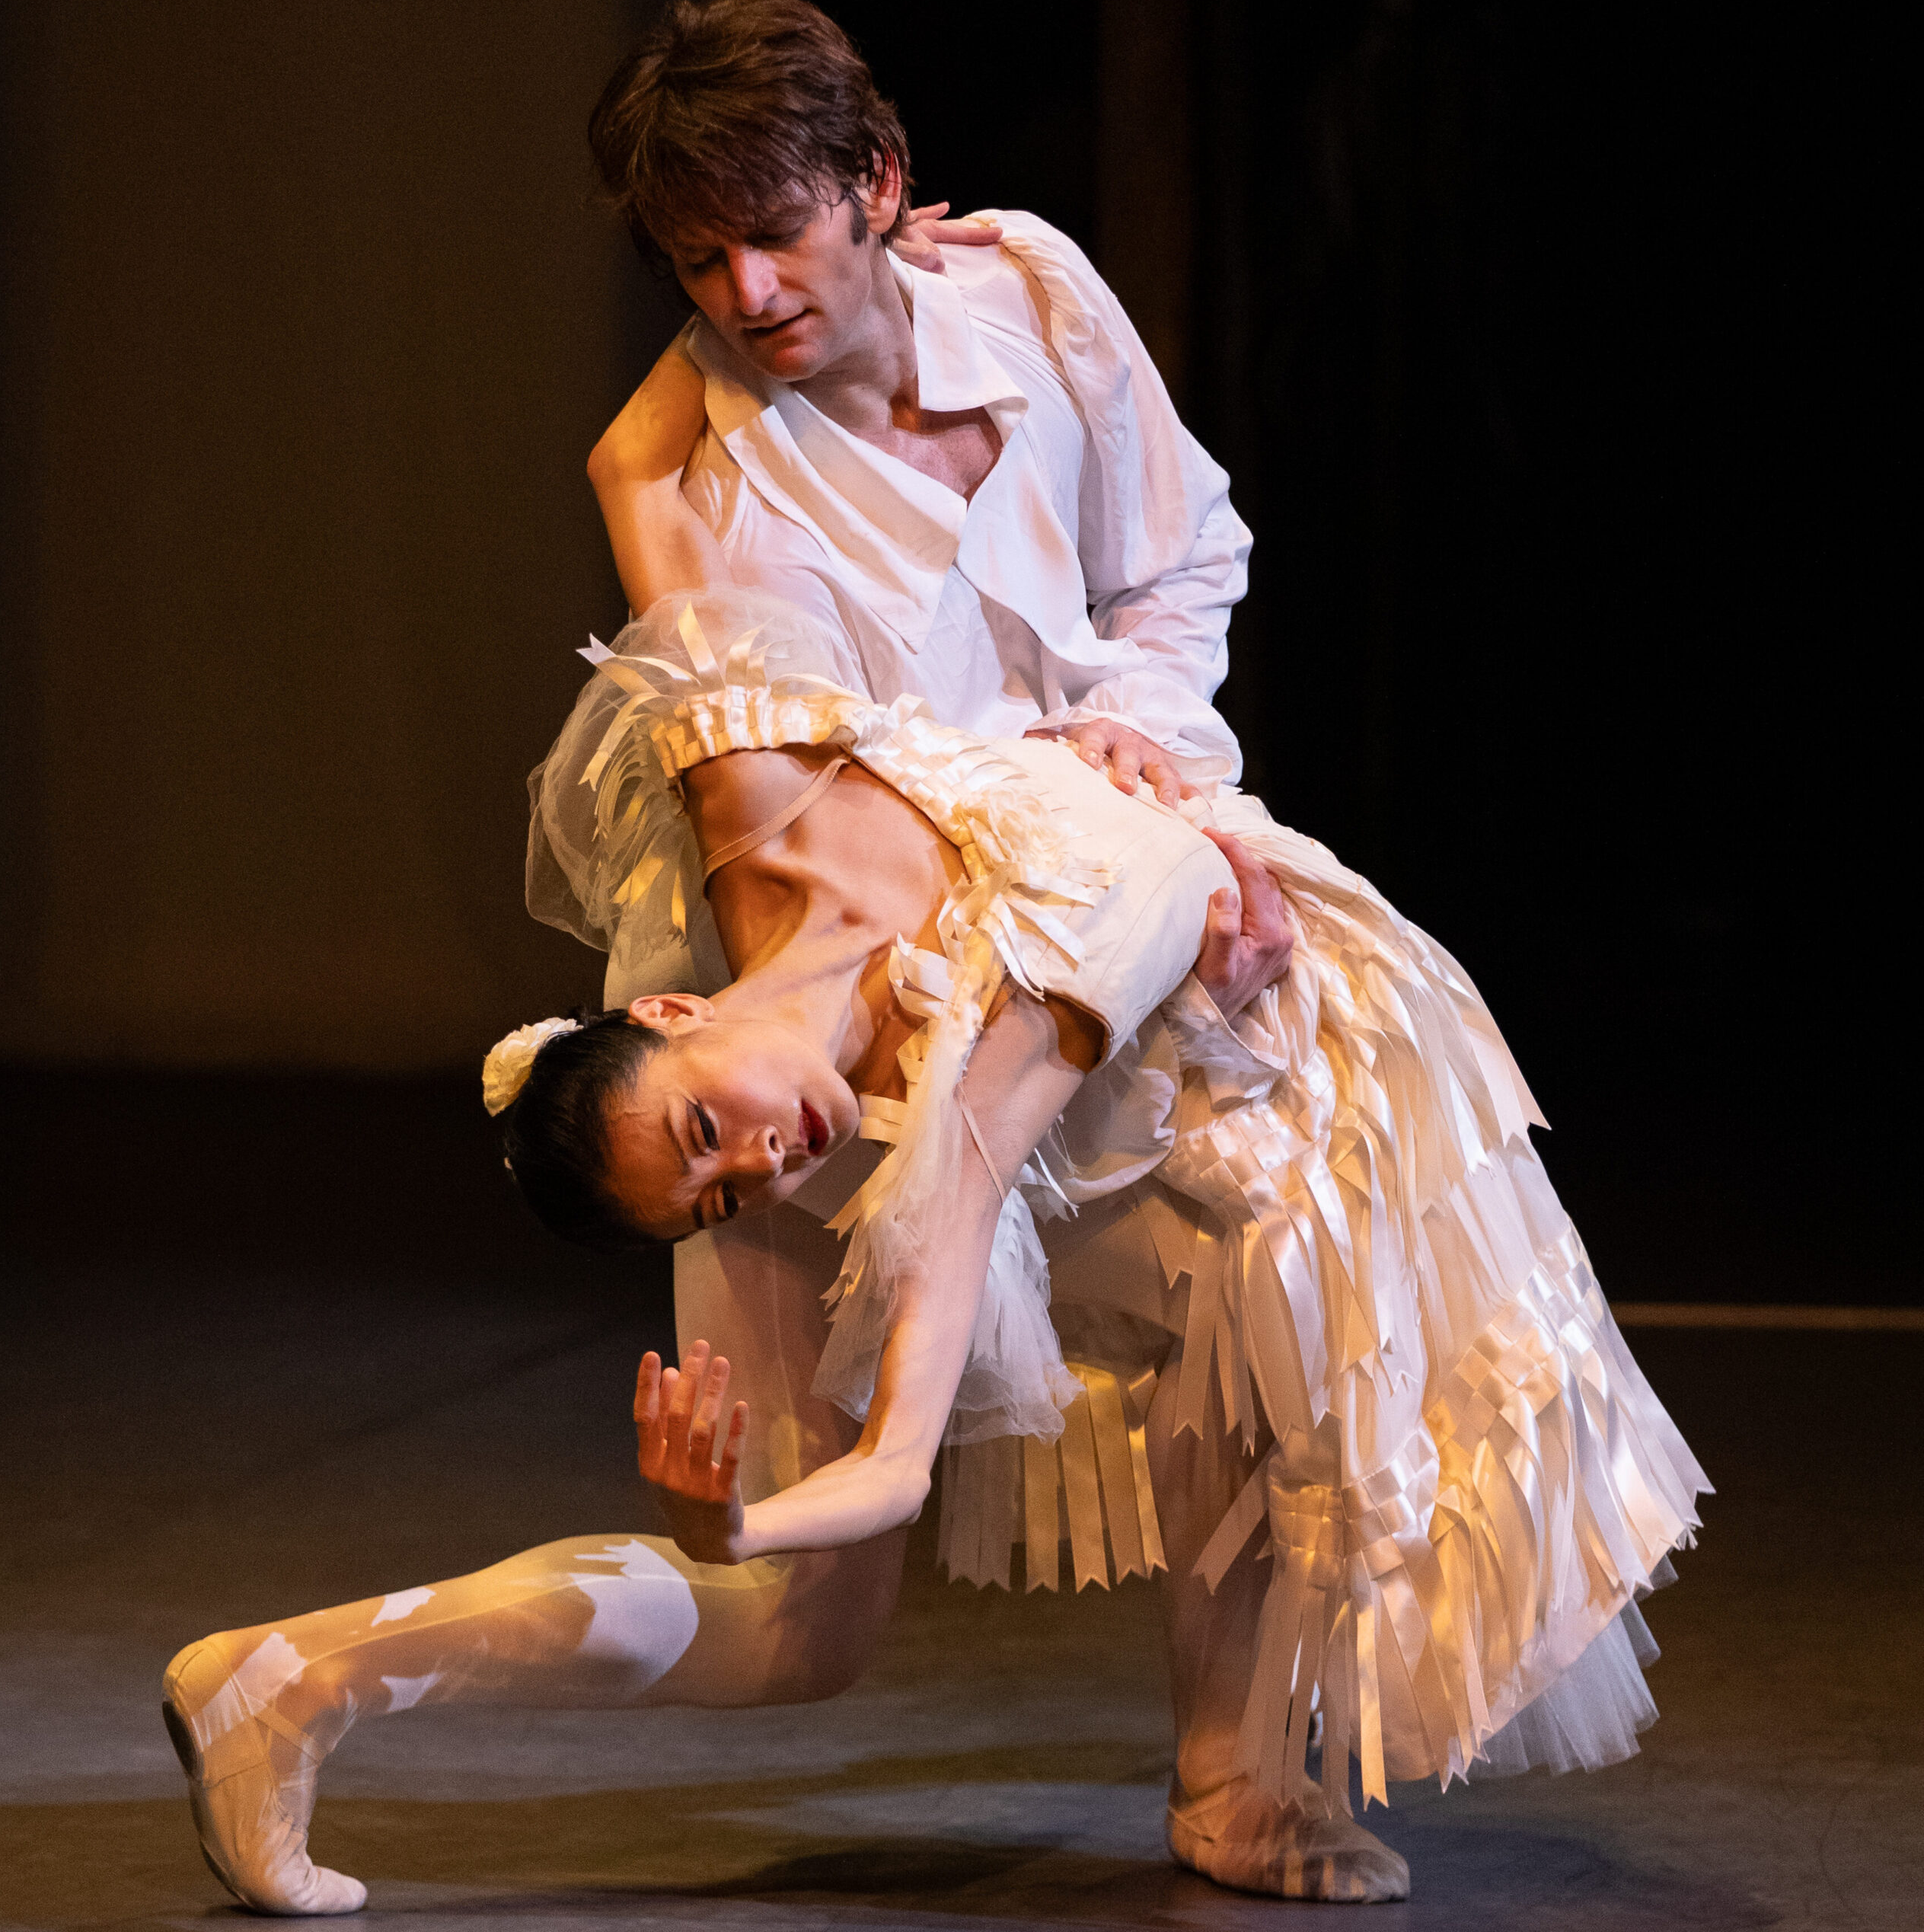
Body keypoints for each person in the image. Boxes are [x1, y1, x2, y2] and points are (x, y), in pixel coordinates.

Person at [162, 592, 1706, 1913]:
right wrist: (728, 1523)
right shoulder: (961, 1102)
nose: (767, 1163)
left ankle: (1232, 1772)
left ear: (674, 1010)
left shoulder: (752, 797)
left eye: (711, 1135)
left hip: (1268, 1066)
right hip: (1137, 1057)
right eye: (715, 1196)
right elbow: (895, 1460)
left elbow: (680, 506)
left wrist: (1115, 733)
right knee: (798, 1624)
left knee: (1256, 1307)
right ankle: (292, 1676)